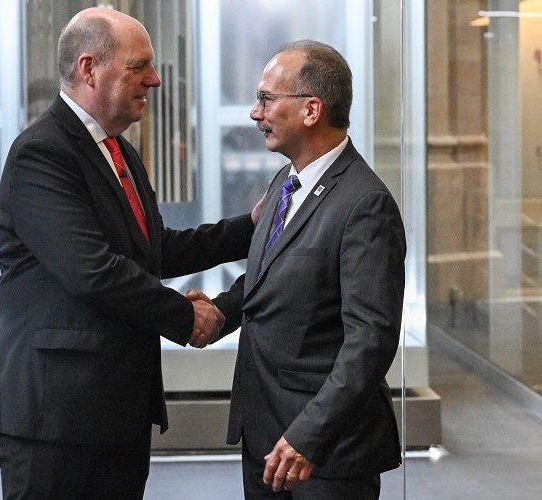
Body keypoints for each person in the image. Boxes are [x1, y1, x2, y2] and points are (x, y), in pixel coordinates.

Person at [0, 7, 260, 499]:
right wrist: (186, 316)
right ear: (89, 68)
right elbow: (92, 271)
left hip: (115, 412)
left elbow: (154, 250)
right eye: (139, 66)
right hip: (57, 420)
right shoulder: (41, 153)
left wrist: (252, 229)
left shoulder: (119, 150)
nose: (154, 80)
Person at [191, 41, 406, 499]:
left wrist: (309, 435)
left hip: (323, 452)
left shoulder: (366, 205)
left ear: (312, 110)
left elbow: (371, 339)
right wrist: (219, 314)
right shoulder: (286, 183)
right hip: (266, 436)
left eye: (267, 99)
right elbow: (268, 277)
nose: (254, 112)